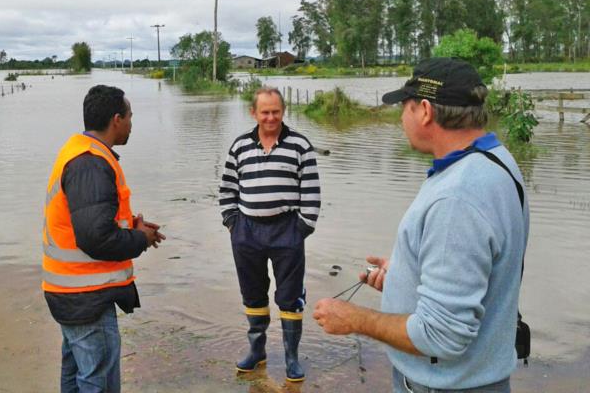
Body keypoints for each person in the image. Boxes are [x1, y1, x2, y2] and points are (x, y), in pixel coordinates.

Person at [313, 58, 529, 392]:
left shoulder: (458, 197)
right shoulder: (496, 160)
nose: (401, 118)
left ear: (425, 111)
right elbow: (478, 266)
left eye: (405, 107)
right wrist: (407, 274)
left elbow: (441, 335)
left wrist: (356, 319)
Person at [42, 84, 165, 393]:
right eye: (130, 116)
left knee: (79, 375)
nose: (132, 123)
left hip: (73, 292)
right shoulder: (91, 163)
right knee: (99, 382)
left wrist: (135, 228)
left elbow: (89, 221)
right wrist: (139, 238)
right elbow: (96, 238)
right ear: (116, 120)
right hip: (86, 296)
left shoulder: (84, 152)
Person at [219, 86, 321, 382]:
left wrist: (301, 228)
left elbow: (311, 192)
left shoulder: (300, 146)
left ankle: (291, 357)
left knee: (289, 297)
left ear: (283, 111)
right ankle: (257, 350)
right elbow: (227, 189)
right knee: (252, 293)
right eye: (265, 112)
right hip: (246, 232)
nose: (271, 117)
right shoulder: (239, 147)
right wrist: (232, 224)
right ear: (254, 113)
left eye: (276, 111)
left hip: (287, 230)